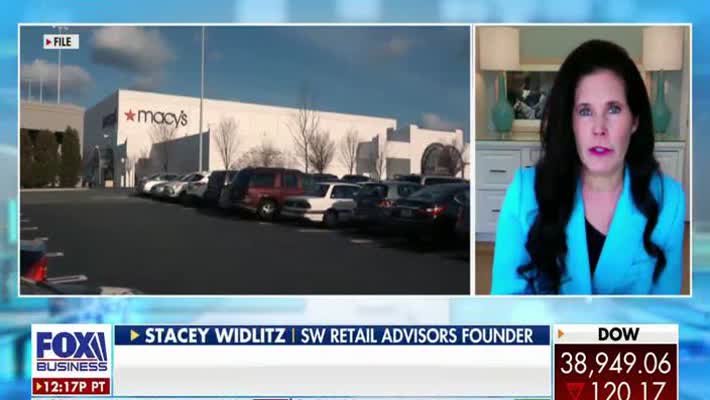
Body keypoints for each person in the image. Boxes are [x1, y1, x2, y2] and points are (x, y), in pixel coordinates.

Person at [491, 40, 686, 295]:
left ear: (635, 120)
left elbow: (666, 312)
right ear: (570, 122)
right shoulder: (524, 192)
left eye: (614, 109)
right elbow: (505, 307)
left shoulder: (669, 200)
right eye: (585, 111)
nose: (599, 128)